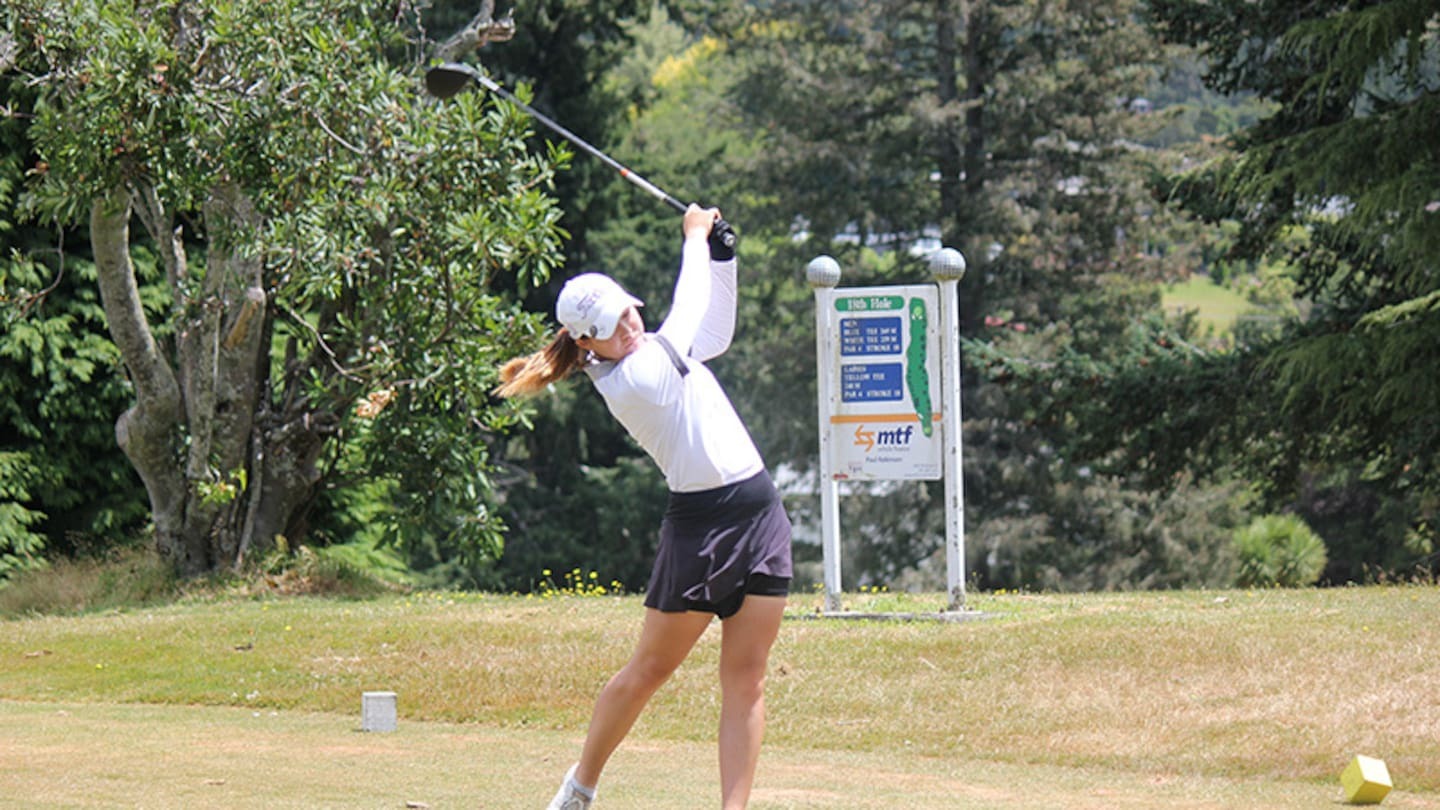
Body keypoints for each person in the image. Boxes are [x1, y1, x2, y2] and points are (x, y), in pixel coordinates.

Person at [496, 205, 792, 810]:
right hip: (701, 530)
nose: (628, 327)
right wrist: (694, 238)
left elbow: (714, 332)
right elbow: (688, 309)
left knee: (748, 678)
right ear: (585, 343)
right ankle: (580, 787)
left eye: (627, 312)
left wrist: (722, 258)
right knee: (649, 670)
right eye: (610, 327)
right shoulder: (633, 379)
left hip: (761, 513)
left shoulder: (653, 348)